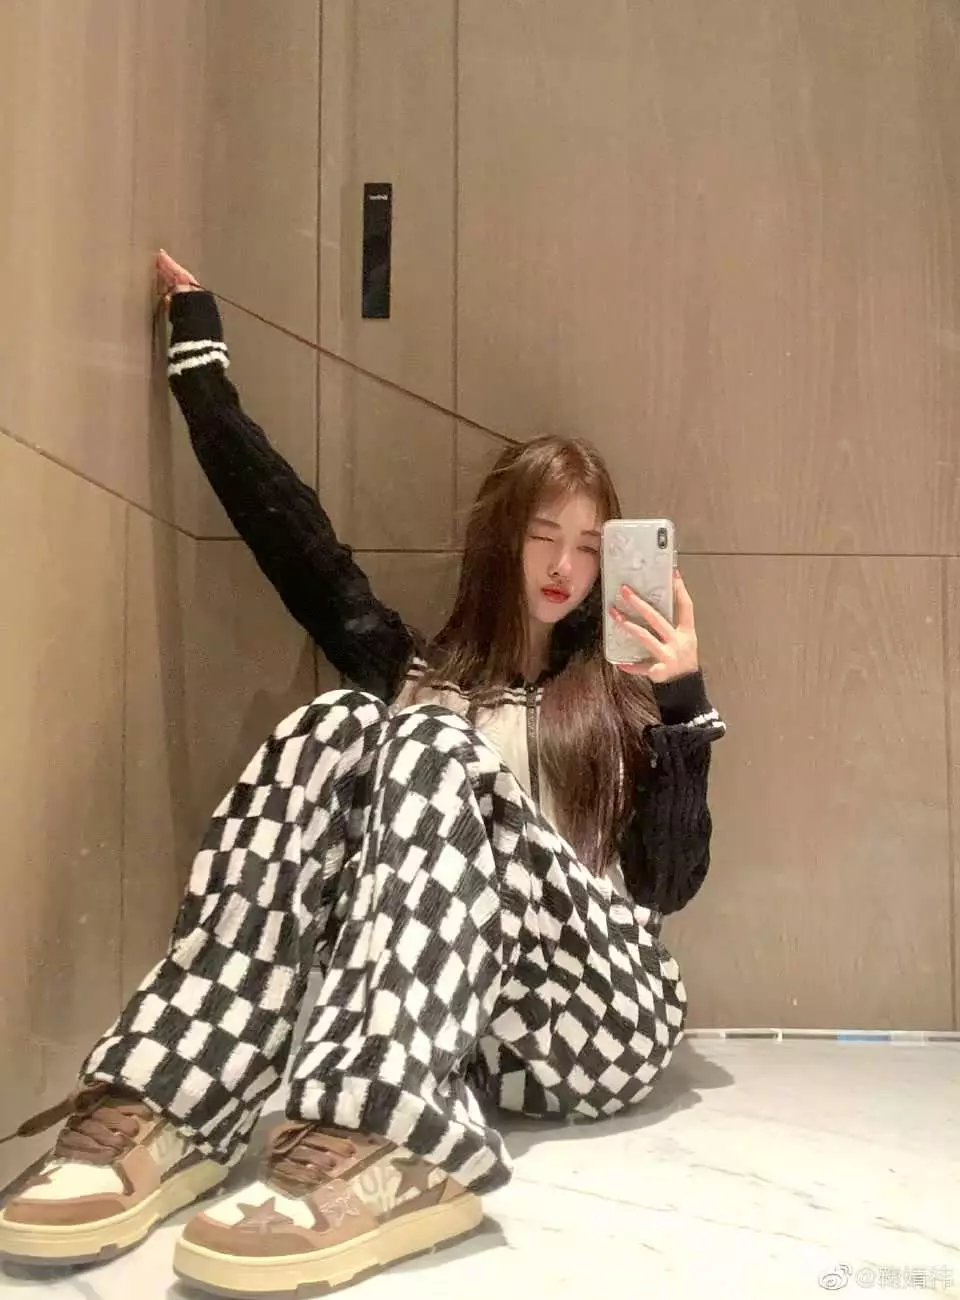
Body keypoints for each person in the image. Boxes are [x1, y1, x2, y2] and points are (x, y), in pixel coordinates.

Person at [0, 251, 726, 1298]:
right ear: (502, 540)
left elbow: (668, 883)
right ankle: (175, 1097)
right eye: (542, 536)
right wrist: (201, 371)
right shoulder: (424, 678)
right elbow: (301, 551)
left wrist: (681, 702)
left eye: (585, 544)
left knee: (428, 743)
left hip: (605, 1019)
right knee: (345, 719)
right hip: (477, 1041)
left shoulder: (618, 694)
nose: (564, 565)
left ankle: (398, 1143)